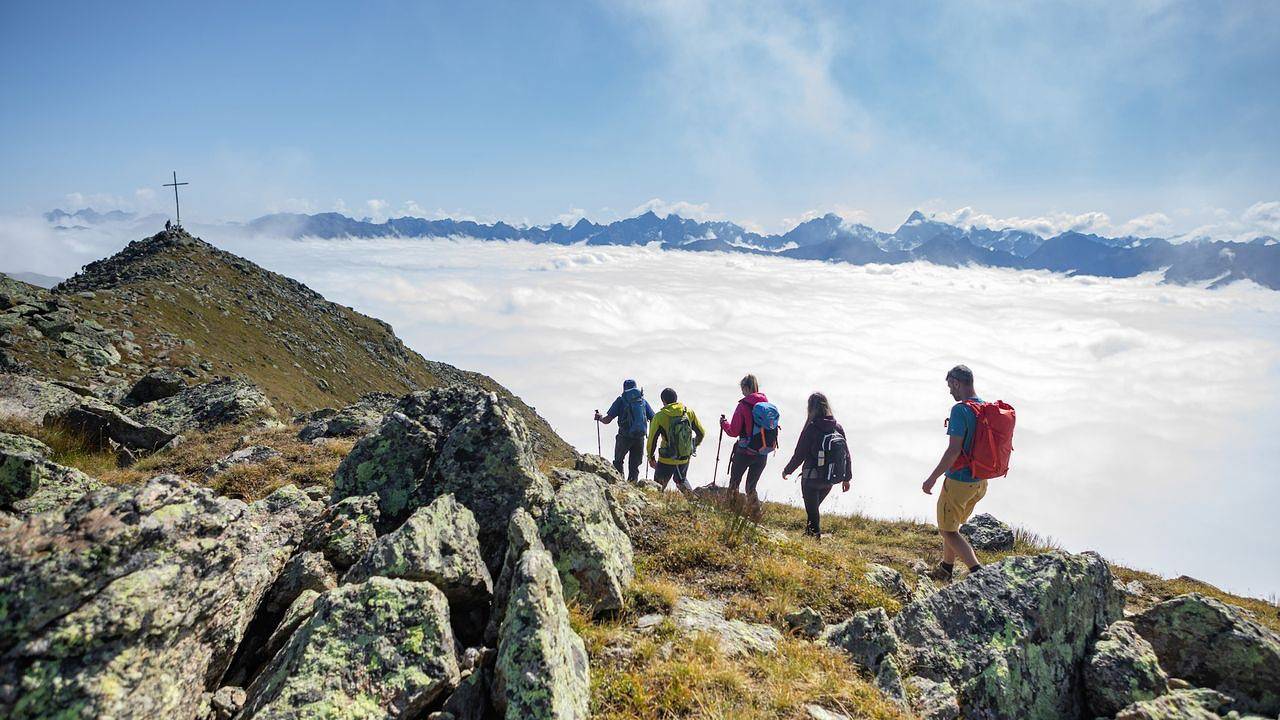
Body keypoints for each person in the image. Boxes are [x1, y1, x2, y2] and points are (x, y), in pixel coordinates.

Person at [921, 364, 987, 581]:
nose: (950, 391)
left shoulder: (960, 410)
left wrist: (932, 478)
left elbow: (953, 450)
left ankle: (978, 574)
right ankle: (946, 569)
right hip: (980, 481)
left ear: (957, 383)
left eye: (950, 386)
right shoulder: (984, 407)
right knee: (952, 526)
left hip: (959, 481)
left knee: (947, 531)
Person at [782, 392, 852, 539]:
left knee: (813, 513)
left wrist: (787, 470)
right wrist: (847, 478)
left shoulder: (811, 428)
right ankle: (808, 536)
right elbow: (846, 454)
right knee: (813, 512)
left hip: (811, 479)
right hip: (829, 479)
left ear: (811, 408)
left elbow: (799, 454)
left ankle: (815, 541)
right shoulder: (837, 427)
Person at [720, 374, 776, 517]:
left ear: (746, 387)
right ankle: (756, 515)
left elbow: (733, 431)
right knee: (751, 487)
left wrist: (724, 424)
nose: (742, 392)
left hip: (744, 452)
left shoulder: (743, 405)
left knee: (734, 483)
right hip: (762, 452)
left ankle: (730, 513)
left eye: (742, 389)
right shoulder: (767, 405)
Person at [647, 387, 706, 495]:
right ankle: (693, 501)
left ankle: (657, 504)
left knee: (658, 488)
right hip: (684, 457)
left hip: (666, 458)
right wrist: (692, 446)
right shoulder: (688, 412)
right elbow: (701, 433)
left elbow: (652, 440)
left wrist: (651, 458)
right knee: (681, 481)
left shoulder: (659, 417)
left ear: (663, 401)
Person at [595, 379, 655, 482]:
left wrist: (599, 418)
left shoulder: (621, 400)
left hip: (624, 436)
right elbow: (653, 418)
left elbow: (607, 420)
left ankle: (619, 483)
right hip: (639, 437)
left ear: (624, 388)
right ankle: (632, 483)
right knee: (634, 465)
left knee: (618, 461)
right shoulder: (642, 401)